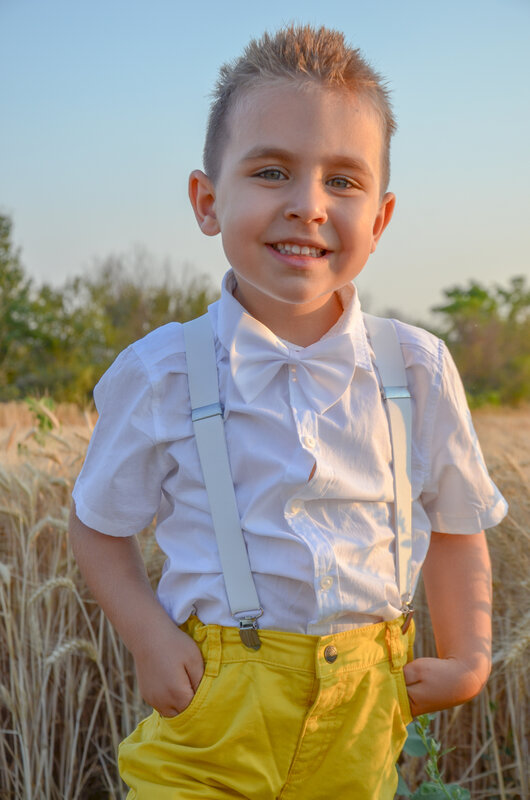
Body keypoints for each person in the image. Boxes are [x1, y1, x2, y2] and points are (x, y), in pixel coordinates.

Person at [69, 24, 507, 799]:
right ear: (208, 201)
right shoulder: (163, 372)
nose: (307, 206)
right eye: (271, 172)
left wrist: (471, 654)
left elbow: (456, 523)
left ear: (380, 219)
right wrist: (148, 637)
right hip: (212, 718)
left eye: (343, 181)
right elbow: (97, 523)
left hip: (362, 722)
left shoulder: (416, 369)